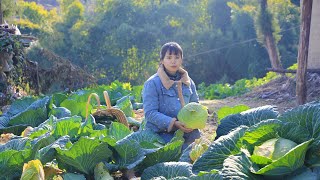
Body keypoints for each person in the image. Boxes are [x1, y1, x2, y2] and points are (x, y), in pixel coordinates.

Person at [142, 41, 201, 150]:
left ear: (181, 59)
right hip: (160, 135)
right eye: (169, 57)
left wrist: (193, 122)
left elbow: (195, 105)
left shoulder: (189, 82)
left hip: (188, 133)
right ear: (162, 60)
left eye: (177, 57)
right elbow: (150, 113)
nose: (173, 61)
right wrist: (174, 123)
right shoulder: (152, 83)